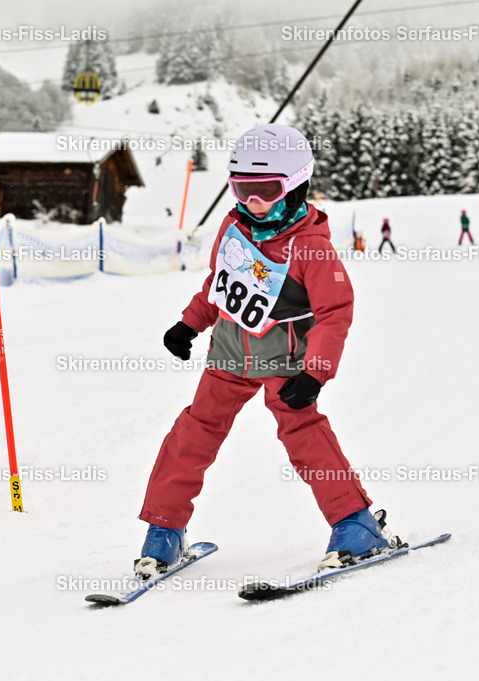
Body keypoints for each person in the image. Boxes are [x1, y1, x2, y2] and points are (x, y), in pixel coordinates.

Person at [135, 124, 401, 579]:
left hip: (286, 361)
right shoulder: (234, 227)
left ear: (296, 187)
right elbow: (221, 282)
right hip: (228, 354)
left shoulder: (310, 246)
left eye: (267, 191)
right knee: (192, 434)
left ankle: (356, 523)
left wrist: (315, 373)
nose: (253, 202)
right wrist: (190, 323)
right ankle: (164, 529)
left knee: (304, 436)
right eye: (243, 190)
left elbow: (335, 312)